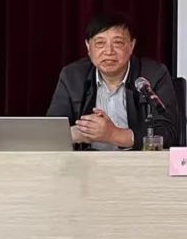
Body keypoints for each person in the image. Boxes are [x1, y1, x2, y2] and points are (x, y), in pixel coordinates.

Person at [47, 12, 179, 150]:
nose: (109, 51)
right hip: (86, 161)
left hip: (136, 160)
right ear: (88, 47)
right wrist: (76, 133)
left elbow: (169, 132)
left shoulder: (153, 74)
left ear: (131, 46)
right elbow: (51, 131)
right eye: (100, 43)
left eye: (118, 43)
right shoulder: (72, 76)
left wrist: (114, 135)